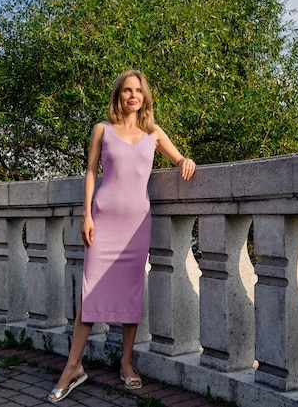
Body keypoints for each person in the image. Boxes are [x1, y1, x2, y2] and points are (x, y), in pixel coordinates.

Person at [48, 69, 196, 403]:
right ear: (118, 95)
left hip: (136, 226)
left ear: (145, 97)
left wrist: (187, 161)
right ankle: (73, 367)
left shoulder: (153, 132)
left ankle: (126, 363)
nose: (133, 96)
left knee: (131, 294)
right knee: (90, 294)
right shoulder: (102, 130)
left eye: (138, 91)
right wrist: (86, 214)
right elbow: (90, 171)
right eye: (127, 90)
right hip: (103, 221)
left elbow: (178, 159)